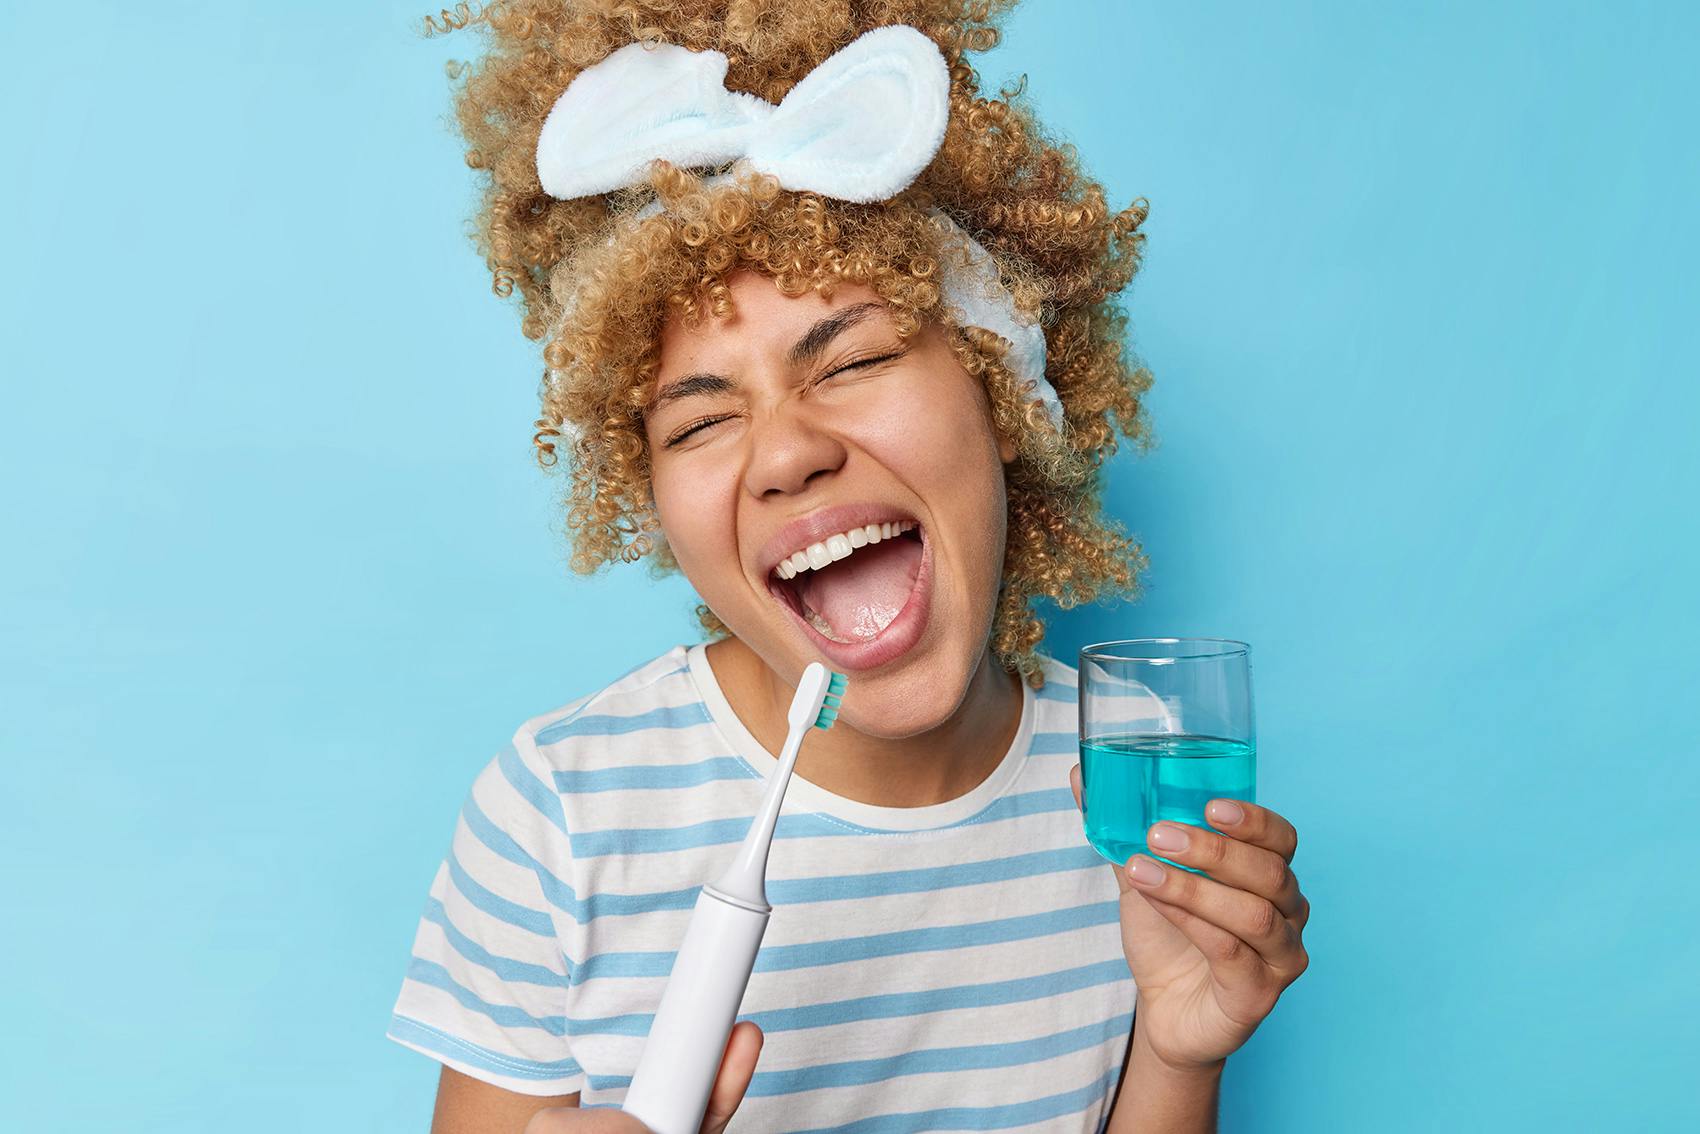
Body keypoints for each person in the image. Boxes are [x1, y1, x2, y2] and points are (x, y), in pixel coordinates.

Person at [390, 3, 1310, 1131]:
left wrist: (1180, 1056)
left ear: (1004, 387)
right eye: (696, 424)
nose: (785, 452)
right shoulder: (563, 815)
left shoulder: (1129, 774)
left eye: (857, 357)